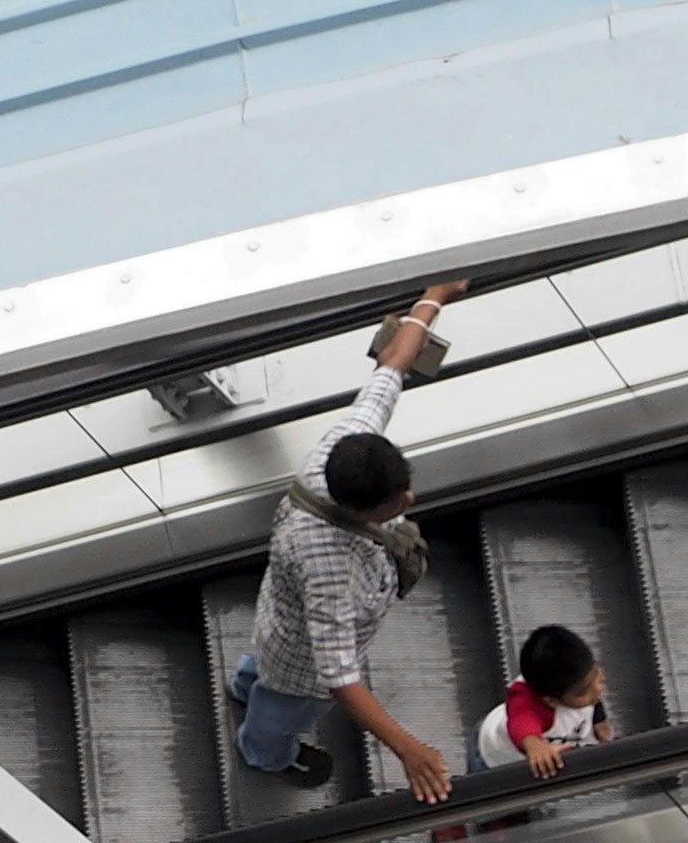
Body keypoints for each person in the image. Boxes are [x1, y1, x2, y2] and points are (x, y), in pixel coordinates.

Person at [234, 276, 471, 799]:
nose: (408, 500)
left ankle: (244, 687)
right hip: (300, 671)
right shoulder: (332, 568)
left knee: (259, 670)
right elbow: (339, 675)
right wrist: (407, 748)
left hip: (277, 620)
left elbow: (391, 369)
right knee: (279, 712)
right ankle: (265, 752)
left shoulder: (340, 449)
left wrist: (433, 299)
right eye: (396, 502)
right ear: (359, 509)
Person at [474, 622, 615, 777]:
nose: (597, 687)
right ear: (551, 701)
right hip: (494, 757)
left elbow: (593, 696)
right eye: (582, 692)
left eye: (596, 673)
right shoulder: (527, 702)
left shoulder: (576, 681)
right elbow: (522, 720)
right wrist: (535, 745)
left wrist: (599, 719)